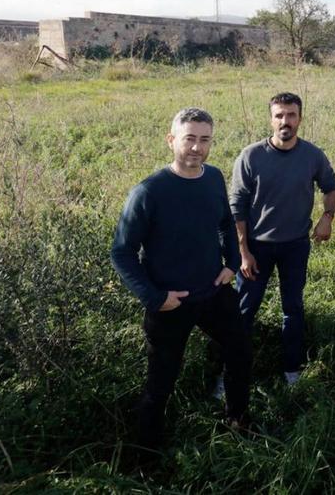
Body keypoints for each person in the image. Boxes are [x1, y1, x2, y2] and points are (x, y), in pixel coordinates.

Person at [110, 107, 251, 451]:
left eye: (204, 140)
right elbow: (121, 252)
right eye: (189, 139)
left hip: (214, 292)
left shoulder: (214, 177)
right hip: (171, 301)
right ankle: (147, 454)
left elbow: (224, 223)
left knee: (241, 350)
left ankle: (238, 420)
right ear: (171, 140)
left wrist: (232, 262)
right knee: (161, 380)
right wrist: (155, 297)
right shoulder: (149, 192)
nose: (196, 148)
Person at [229, 92, 335, 385]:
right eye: (279, 115)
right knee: (244, 311)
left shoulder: (312, 155)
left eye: (291, 115)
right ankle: (230, 374)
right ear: (271, 119)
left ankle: (292, 371)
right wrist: (243, 251)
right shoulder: (251, 156)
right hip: (256, 247)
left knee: (293, 309)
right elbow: (236, 206)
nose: (285, 121)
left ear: (300, 119)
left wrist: (327, 217)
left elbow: (331, 187)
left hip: (295, 245)